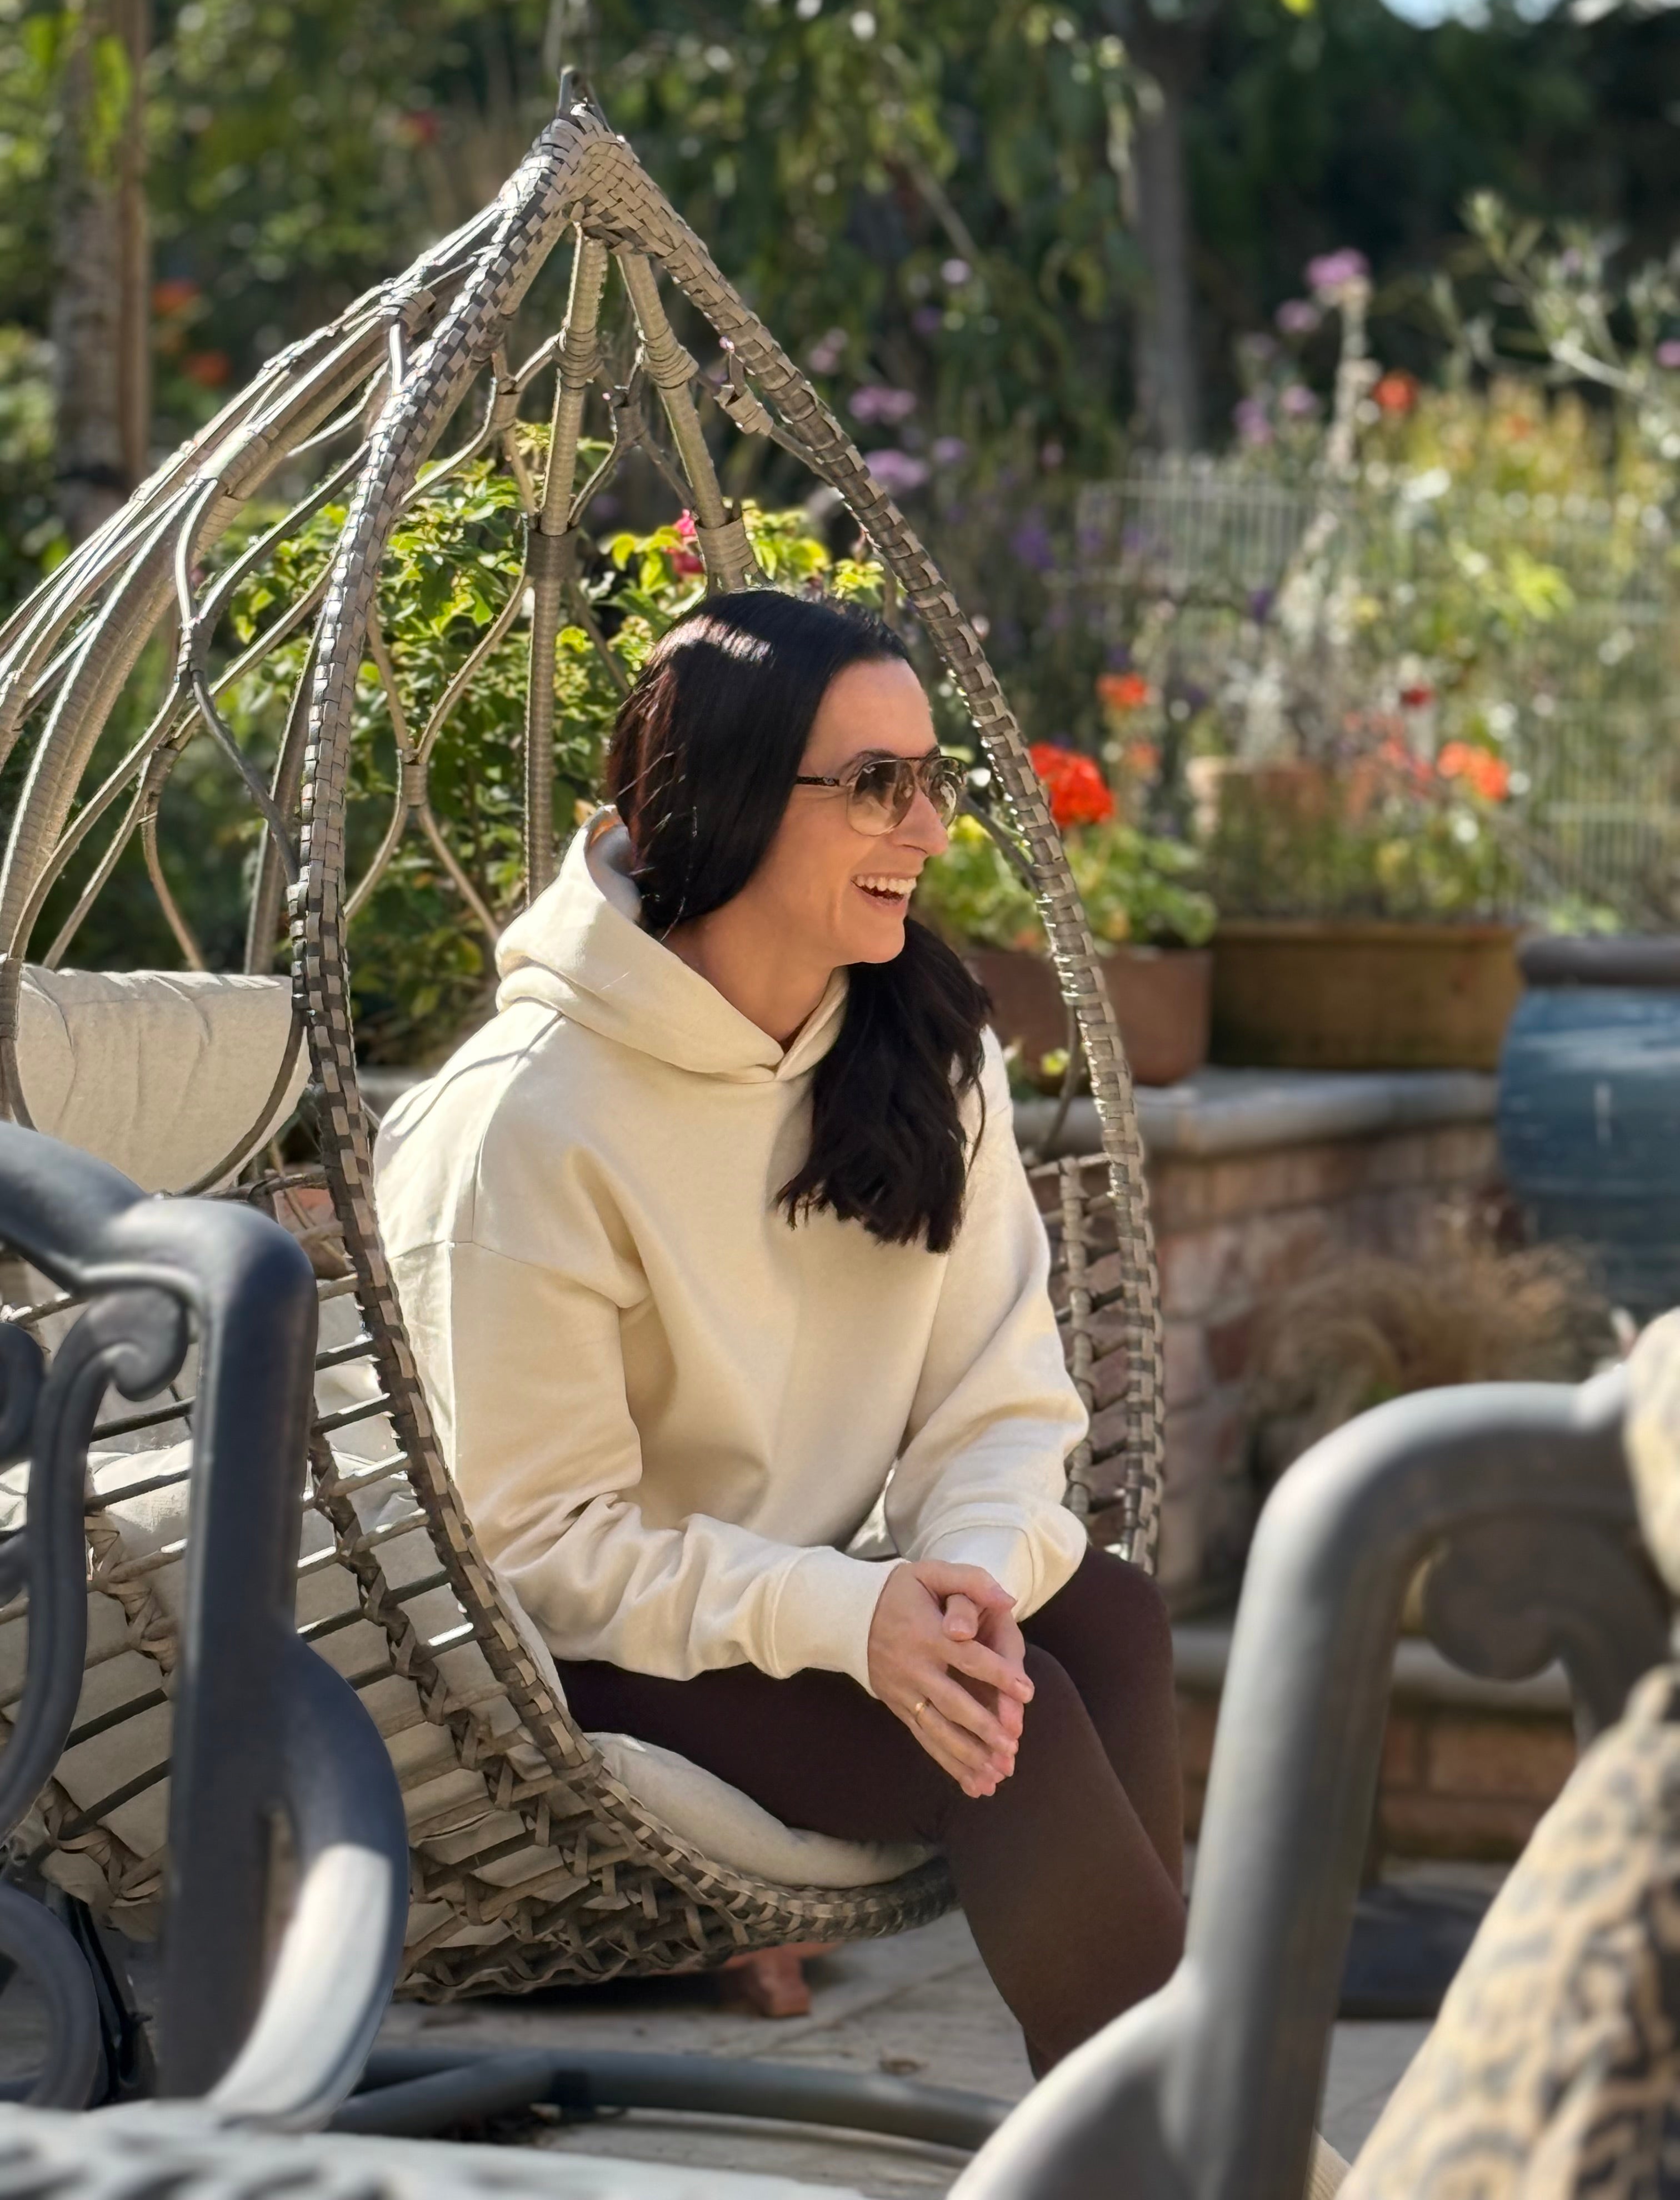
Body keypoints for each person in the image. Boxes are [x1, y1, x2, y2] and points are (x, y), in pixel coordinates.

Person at [372, 588, 1186, 2076]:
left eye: (932, 782)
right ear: (734, 803)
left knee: (1102, 1624)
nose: (927, 830)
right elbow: (532, 1548)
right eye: (876, 786)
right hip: (585, 1665)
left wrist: (967, 1582)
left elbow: (1002, 1400)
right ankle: (1202, 2163)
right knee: (1025, 1727)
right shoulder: (521, 1124)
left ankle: (1179, 2146)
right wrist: (846, 1620)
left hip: (803, 1605)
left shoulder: (921, 1047)